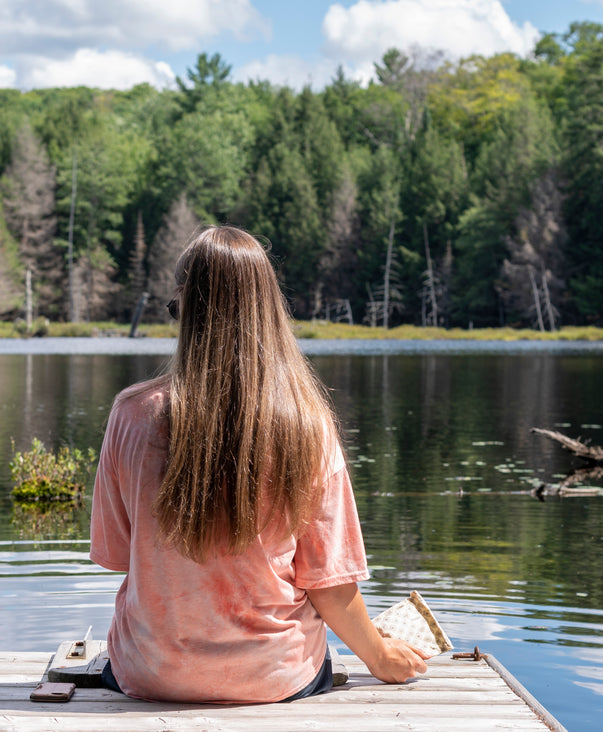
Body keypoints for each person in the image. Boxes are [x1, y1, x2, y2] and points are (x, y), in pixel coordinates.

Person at [89, 225, 428, 703]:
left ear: (186, 311)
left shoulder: (130, 415)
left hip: (150, 673)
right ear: (268, 310)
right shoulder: (308, 425)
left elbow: (119, 556)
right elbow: (329, 586)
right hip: (276, 677)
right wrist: (379, 656)